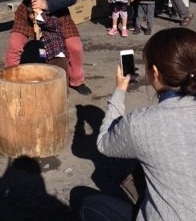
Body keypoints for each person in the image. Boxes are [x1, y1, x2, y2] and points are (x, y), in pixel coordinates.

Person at [80, 27, 196, 221]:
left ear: (155, 73)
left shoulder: (141, 124)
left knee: (88, 204)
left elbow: (103, 143)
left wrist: (120, 89)